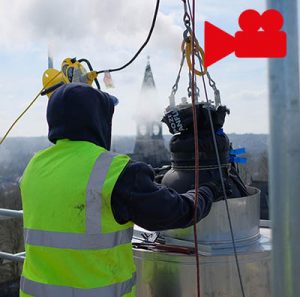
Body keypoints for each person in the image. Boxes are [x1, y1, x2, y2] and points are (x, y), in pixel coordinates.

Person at [19, 83, 224, 297]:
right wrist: (205, 191)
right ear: (96, 120)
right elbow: (175, 212)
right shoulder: (113, 171)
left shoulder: (34, 166)